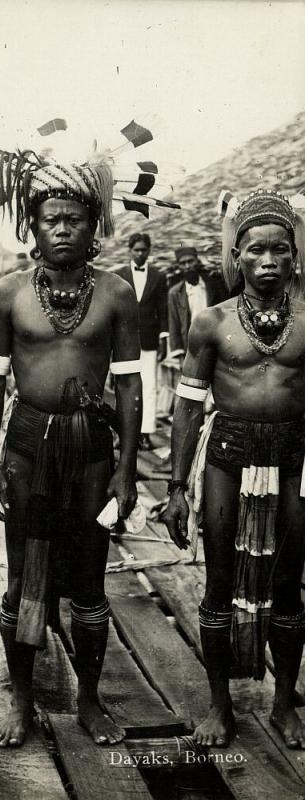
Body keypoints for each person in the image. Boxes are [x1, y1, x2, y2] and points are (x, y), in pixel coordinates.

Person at [0, 150, 143, 747]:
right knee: (26, 580)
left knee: (91, 581)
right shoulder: (8, 294)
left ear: (92, 226)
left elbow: (128, 382)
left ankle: (91, 701)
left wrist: (127, 471)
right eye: (51, 219)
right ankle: (21, 701)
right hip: (26, 445)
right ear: (33, 225)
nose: (63, 228)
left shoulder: (118, 293)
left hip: (91, 448)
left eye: (74, 218)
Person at [163, 189, 305, 749]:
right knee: (219, 584)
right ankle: (220, 706)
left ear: (294, 256)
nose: (267, 261)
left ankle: (282, 704)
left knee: (290, 587)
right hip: (227, 460)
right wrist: (176, 488)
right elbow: (188, 406)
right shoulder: (211, 322)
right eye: (254, 251)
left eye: (278, 250)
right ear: (237, 257)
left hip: (294, 459)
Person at [113, 233, 168, 451]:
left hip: (149, 339)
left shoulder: (158, 276)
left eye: (143, 250)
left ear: (149, 251)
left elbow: (163, 310)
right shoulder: (119, 275)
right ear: (130, 251)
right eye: (136, 250)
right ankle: (121, 433)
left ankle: (145, 433)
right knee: (122, 384)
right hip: (123, 339)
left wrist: (164, 338)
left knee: (150, 385)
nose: (139, 254)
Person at [168, 246, 228, 362]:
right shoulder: (175, 293)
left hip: (214, 342)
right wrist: (180, 356)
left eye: (190, 261)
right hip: (190, 346)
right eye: (183, 263)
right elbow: (174, 324)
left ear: (197, 261)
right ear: (179, 266)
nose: (187, 266)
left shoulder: (213, 286)